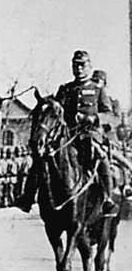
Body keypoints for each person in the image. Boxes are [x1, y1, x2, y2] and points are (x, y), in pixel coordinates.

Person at [15, 50, 115, 214]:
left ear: (89, 66)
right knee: (41, 158)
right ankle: (28, 196)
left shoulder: (97, 89)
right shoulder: (65, 89)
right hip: (67, 136)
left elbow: (110, 116)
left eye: (82, 65)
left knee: (101, 157)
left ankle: (107, 199)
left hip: (90, 134)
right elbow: (56, 110)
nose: (78, 69)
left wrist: (93, 118)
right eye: (75, 65)